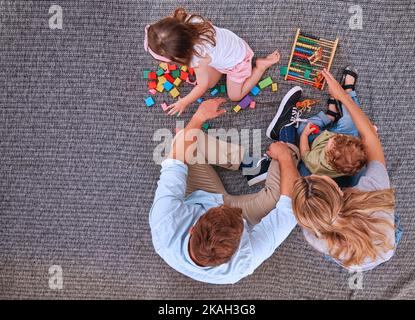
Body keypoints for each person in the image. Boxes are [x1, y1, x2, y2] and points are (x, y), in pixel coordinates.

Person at [149, 98, 300, 284]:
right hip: (211, 203)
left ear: (192, 229)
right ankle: (287, 136)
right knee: (291, 187)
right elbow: (288, 210)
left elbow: (173, 163)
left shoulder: (164, 222)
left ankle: (251, 166)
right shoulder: (243, 263)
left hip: (198, 193)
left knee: (178, 142)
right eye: (239, 219)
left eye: (219, 210)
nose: (232, 209)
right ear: (235, 250)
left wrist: (199, 117)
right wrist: (284, 156)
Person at [290, 68, 401, 271]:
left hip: (368, 251)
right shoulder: (373, 190)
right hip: (380, 238)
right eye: (319, 178)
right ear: (337, 187)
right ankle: (346, 98)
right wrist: (342, 94)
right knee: (358, 133)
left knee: (300, 164)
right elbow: (370, 137)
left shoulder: (313, 233)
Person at [144, 7, 280, 116]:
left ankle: (260, 67)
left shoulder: (198, 59)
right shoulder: (190, 21)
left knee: (235, 96)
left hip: (238, 62)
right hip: (226, 48)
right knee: (211, 83)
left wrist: (184, 102)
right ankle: (221, 69)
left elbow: (201, 86)